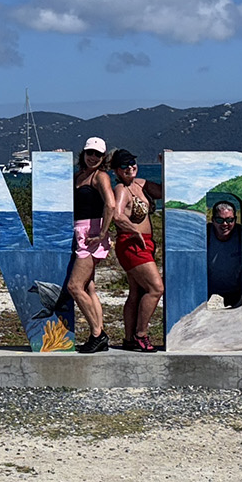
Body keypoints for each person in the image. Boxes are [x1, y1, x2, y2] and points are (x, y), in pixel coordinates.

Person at [109, 149, 164, 351]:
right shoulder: (121, 189)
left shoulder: (141, 184)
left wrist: (164, 164)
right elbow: (117, 215)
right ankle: (141, 334)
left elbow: (167, 191)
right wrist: (134, 230)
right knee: (156, 288)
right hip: (132, 244)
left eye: (132, 163)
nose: (130, 167)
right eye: (124, 165)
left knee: (136, 292)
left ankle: (129, 338)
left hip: (146, 244)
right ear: (116, 171)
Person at [67, 136, 116, 353]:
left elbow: (111, 204)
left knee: (74, 287)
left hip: (91, 235)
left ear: (103, 157)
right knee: (89, 287)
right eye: (89, 153)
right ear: (83, 153)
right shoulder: (79, 176)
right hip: (79, 231)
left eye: (97, 154)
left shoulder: (100, 176)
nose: (92, 157)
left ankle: (98, 334)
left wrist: (103, 232)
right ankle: (99, 332)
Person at [206, 200, 242, 309]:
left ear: (235, 220)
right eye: (220, 220)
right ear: (213, 220)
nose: (225, 224)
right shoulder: (205, 234)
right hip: (207, 289)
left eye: (229, 220)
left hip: (235, 290)